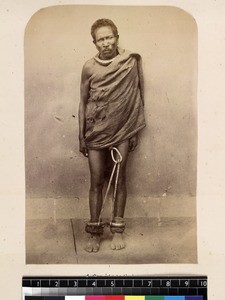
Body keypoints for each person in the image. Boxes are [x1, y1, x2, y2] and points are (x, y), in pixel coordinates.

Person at [78, 18, 146, 252]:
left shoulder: (130, 61)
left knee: (119, 179)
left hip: (123, 128)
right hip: (95, 129)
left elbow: (137, 94)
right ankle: (94, 233)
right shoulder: (89, 67)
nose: (106, 43)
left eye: (109, 37)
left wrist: (133, 127)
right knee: (96, 180)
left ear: (117, 37)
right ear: (95, 43)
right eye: (101, 39)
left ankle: (117, 230)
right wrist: (81, 135)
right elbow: (83, 101)